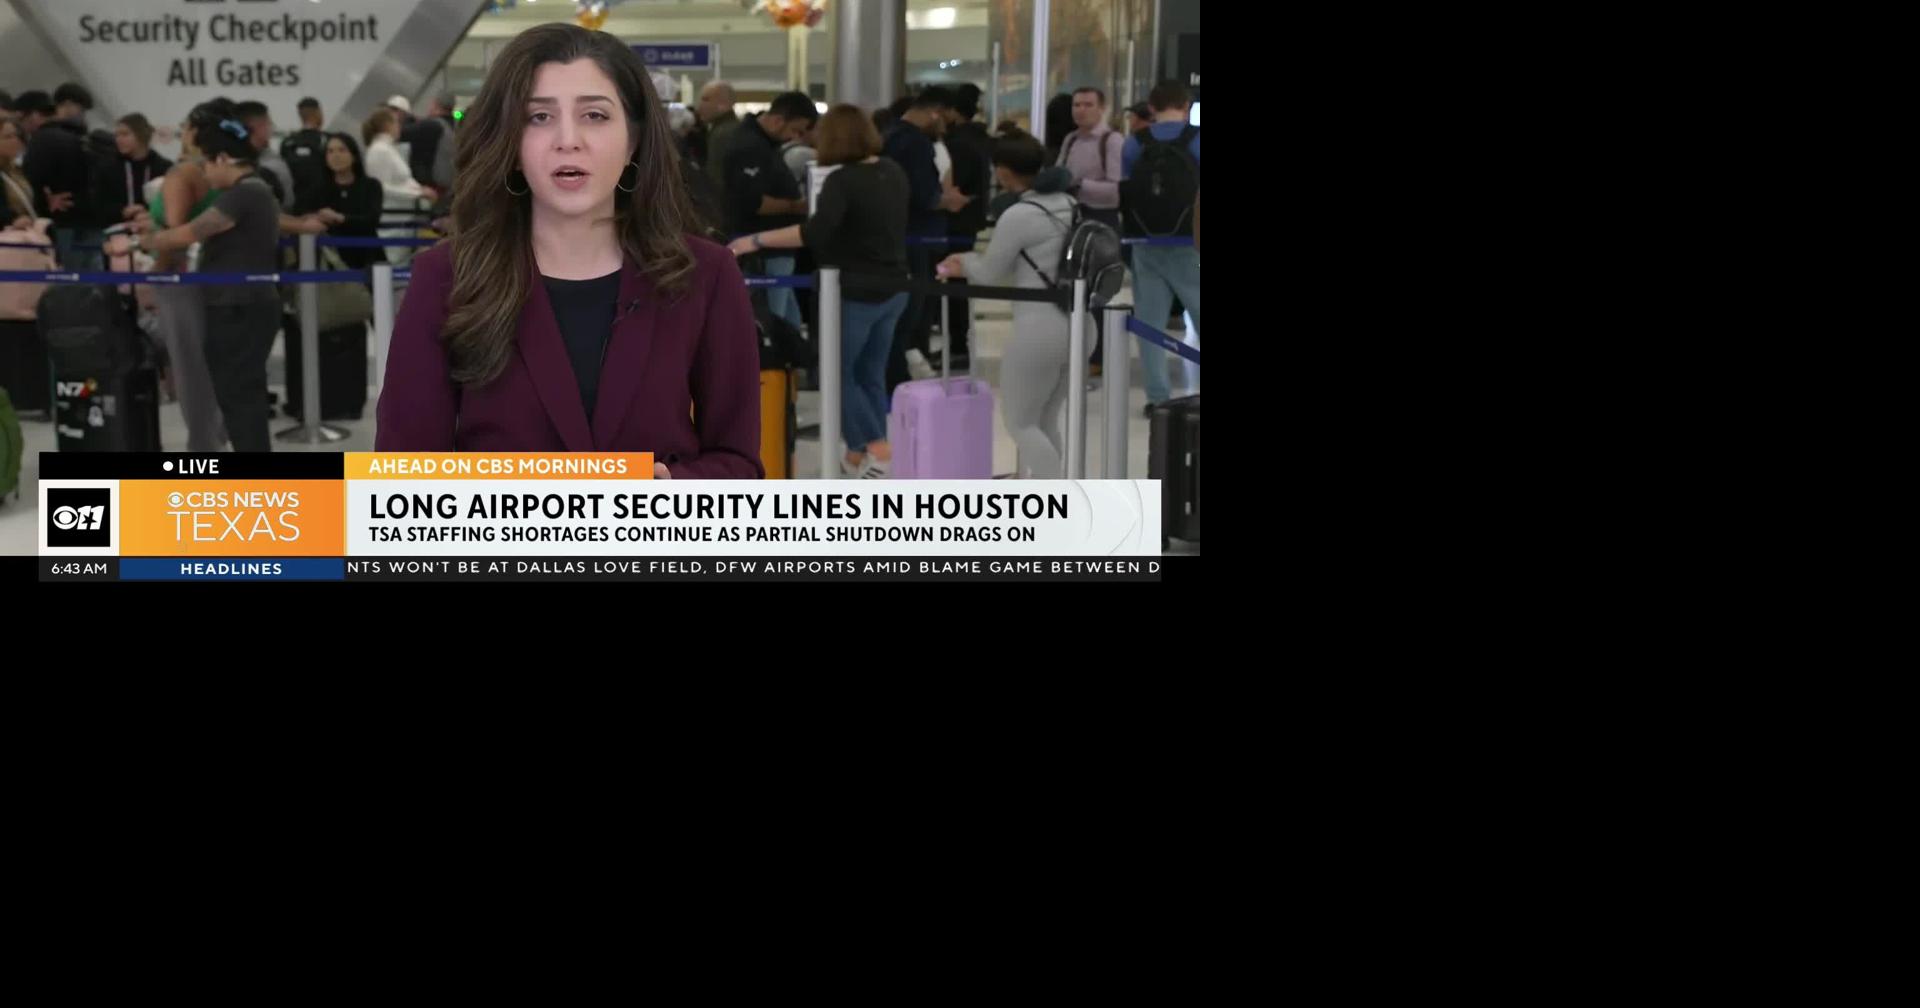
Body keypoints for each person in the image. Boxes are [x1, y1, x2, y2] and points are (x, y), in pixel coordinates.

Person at [375, 21, 759, 475]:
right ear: (511, 143)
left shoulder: (706, 274)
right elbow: (402, 474)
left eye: (594, 115)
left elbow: (738, 463)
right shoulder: (446, 277)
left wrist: (674, 489)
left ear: (633, 139)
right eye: (539, 117)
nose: (568, 139)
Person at [726, 105, 909, 479]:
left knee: (838, 372)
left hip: (855, 289)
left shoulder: (843, 180)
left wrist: (754, 241)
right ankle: (863, 452)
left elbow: (813, 233)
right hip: (894, 286)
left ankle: (874, 445)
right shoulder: (893, 171)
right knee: (871, 371)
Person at [135, 113, 326, 452]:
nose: (205, 175)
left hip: (240, 306)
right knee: (239, 393)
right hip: (240, 303)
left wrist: (148, 241)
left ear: (223, 159)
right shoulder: (253, 191)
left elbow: (193, 232)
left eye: (207, 165)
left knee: (239, 397)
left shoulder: (244, 193)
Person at [935, 131, 1077, 478]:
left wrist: (963, 262)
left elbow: (988, 272)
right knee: (1045, 420)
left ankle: (1054, 500)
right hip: (1076, 320)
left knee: (1021, 422)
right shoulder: (1068, 202)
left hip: (1039, 328)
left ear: (1002, 172)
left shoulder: (1019, 215)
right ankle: (1049, 492)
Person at [1121, 80, 1202, 408]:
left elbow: (1127, 188)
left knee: (1149, 322)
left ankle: (1158, 398)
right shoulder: (1197, 140)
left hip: (1145, 241)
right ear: (1185, 106)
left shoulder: (1134, 143)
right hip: (1192, 242)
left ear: (1151, 108)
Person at [881, 88, 968, 389]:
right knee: (911, 316)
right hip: (917, 237)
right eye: (944, 120)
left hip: (899, 235)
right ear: (934, 113)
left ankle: (894, 375)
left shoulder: (890, 135)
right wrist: (947, 201)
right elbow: (923, 195)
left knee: (902, 314)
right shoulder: (916, 143)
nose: (945, 127)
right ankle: (897, 379)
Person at [716, 90, 816, 333]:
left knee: (788, 318)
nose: (797, 137)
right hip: (766, 249)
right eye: (796, 129)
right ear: (778, 120)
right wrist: (797, 205)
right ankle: (771, 368)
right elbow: (751, 201)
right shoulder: (749, 146)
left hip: (775, 248)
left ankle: (792, 365)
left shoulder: (764, 143)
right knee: (773, 321)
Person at [19, 86, 101, 270]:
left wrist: (42, 205)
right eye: (82, 110)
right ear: (66, 105)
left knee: (67, 285)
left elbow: (30, 182)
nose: (83, 115)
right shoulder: (85, 139)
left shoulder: (43, 139)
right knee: (92, 284)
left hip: (63, 223)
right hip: (89, 221)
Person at [940, 83, 992, 370]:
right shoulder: (979, 138)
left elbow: (954, 186)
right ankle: (959, 343)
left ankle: (958, 344)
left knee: (953, 282)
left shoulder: (957, 143)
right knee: (958, 282)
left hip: (954, 223)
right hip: (968, 222)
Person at [362, 108, 429, 262]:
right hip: (390, 219)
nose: (400, 127)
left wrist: (420, 190)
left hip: (402, 218)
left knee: (402, 257)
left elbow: (404, 179)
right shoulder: (379, 151)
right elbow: (381, 187)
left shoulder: (388, 149)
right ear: (387, 125)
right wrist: (418, 193)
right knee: (394, 259)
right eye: (397, 123)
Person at [308, 134, 384, 270]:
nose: (335, 156)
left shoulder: (371, 186)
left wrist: (340, 218)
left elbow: (372, 220)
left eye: (341, 150)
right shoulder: (318, 189)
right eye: (330, 151)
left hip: (368, 257)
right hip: (333, 259)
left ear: (353, 155)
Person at [92, 114, 173, 233]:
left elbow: (170, 202)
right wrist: (122, 211)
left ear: (141, 135)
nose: (119, 139)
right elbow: (97, 204)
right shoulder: (106, 167)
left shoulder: (163, 167)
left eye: (125, 134)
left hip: (153, 232)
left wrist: (145, 209)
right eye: (117, 135)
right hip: (116, 232)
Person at [402, 91, 458, 203]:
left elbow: (400, 133)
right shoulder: (454, 125)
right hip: (449, 185)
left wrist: (406, 119)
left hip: (431, 188)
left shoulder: (432, 125)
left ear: (435, 104)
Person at [233, 101, 290, 206]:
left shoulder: (270, 156)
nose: (272, 127)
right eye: (269, 123)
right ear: (258, 126)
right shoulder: (266, 167)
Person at [280, 97, 331, 214]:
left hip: (296, 206)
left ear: (300, 115)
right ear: (318, 113)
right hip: (325, 206)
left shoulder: (287, 143)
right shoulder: (328, 140)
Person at [696, 81, 739, 186]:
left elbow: (716, 179)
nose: (699, 106)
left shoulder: (723, 134)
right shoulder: (726, 129)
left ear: (723, 104)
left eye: (706, 100)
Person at [1, 117, 35, 229]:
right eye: (8, 137)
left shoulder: (17, 170)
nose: (15, 140)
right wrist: (12, 220)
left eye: (16, 135)